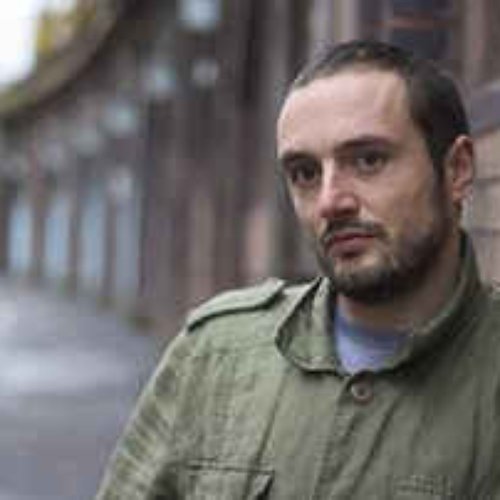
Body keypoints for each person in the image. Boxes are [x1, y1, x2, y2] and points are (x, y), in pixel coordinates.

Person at [96, 40, 500, 499]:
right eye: (306, 173)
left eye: (368, 160)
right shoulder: (215, 354)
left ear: (457, 169)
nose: (330, 201)